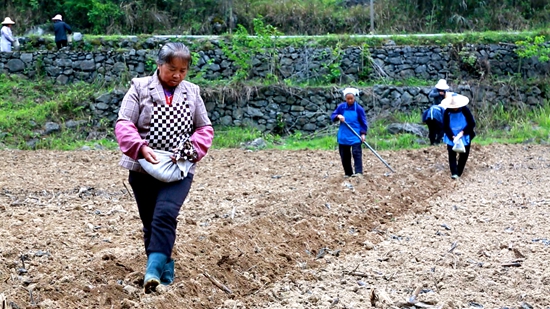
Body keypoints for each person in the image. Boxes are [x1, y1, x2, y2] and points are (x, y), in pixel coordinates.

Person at [115, 42, 214, 293]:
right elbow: (124, 122)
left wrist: (190, 149)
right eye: (172, 69)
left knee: (165, 215)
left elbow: (204, 128)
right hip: (143, 167)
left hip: (178, 167)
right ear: (159, 65)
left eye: (183, 70)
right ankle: (163, 268)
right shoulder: (139, 88)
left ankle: (152, 271)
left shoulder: (192, 92)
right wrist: (140, 147)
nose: (177, 75)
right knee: (150, 222)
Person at [330, 87, 368, 178]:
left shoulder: (358, 109)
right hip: (344, 134)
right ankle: (348, 173)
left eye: (351, 98)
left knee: (356, 153)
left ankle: (358, 172)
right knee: (345, 155)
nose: (350, 100)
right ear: (345, 99)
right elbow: (333, 116)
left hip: (355, 134)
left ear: (354, 98)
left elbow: (363, 122)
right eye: (348, 99)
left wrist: (363, 134)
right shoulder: (341, 107)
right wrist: (338, 116)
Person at [441, 92, 476, 180]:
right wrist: (452, 136)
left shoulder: (465, 110)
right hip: (452, 136)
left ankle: (459, 172)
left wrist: (462, 132)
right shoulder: (447, 112)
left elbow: (472, 123)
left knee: (464, 154)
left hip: (464, 135)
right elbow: (445, 126)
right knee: (451, 154)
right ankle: (454, 173)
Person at [422, 79, 450, 145]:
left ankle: (436, 141)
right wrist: (438, 94)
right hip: (436, 108)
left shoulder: (446, 91)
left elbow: (449, 98)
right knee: (438, 128)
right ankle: (434, 142)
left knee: (437, 128)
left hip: (443, 107)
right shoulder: (435, 90)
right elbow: (431, 95)